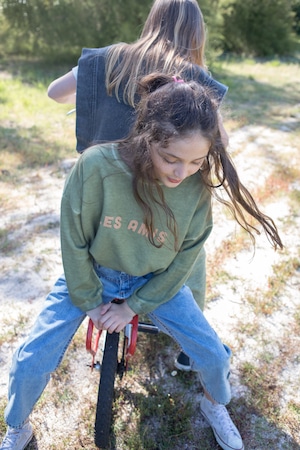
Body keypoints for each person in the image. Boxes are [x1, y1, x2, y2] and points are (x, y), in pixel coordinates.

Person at [0, 73, 283, 450]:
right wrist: (89, 299)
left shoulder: (197, 190)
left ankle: (213, 404)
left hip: (153, 282)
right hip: (92, 275)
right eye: (171, 159)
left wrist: (134, 306)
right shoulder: (97, 166)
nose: (182, 173)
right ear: (146, 136)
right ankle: (19, 426)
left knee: (214, 356)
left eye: (197, 161)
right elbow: (73, 240)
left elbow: (184, 261)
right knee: (31, 359)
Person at [47, 0, 229, 371]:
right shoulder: (196, 78)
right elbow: (219, 140)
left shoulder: (109, 58)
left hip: (104, 188)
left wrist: (90, 94)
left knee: (83, 233)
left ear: (151, 20)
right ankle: (187, 345)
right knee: (189, 253)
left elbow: (54, 92)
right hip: (164, 192)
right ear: (197, 33)